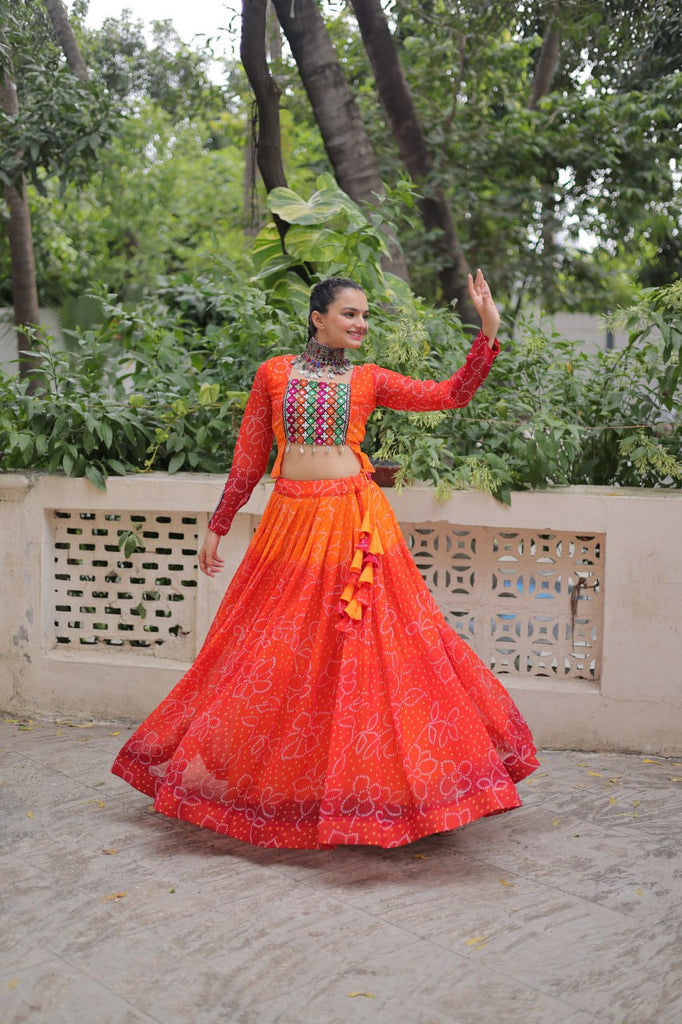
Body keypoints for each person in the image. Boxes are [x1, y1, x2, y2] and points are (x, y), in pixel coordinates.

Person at [112, 271, 539, 849]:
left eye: (365, 315)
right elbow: (248, 460)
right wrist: (218, 526)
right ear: (318, 318)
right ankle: (288, 786)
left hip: (354, 522)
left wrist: (488, 329)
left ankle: (380, 792)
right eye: (350, 314)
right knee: (277, 649)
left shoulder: (368, 379)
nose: (361, 324)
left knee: (368, 656)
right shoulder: (274, 373)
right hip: (292, 521)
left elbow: (448, 395)